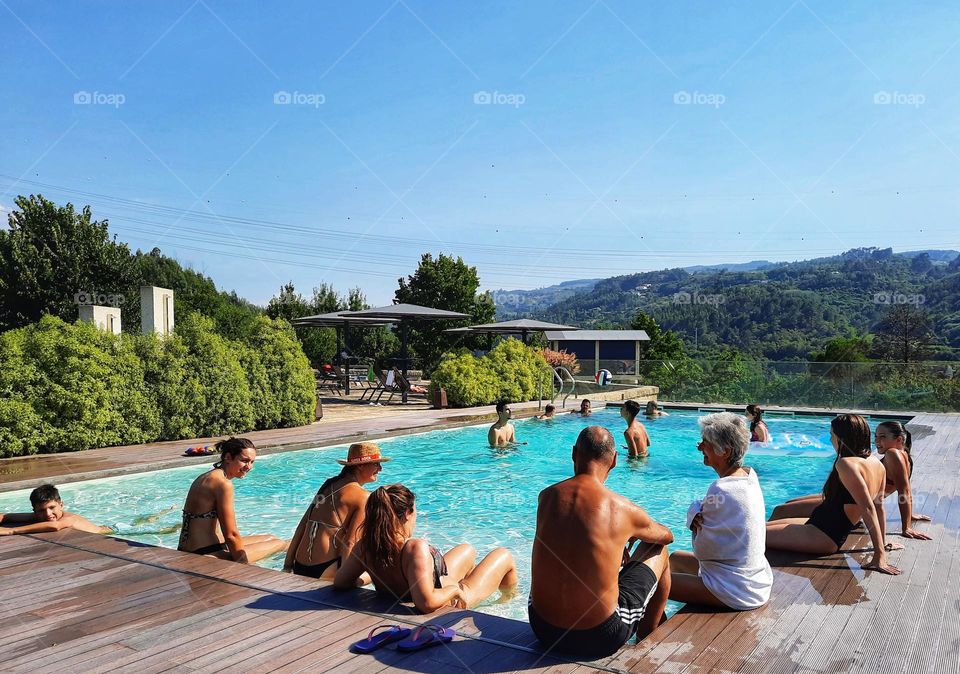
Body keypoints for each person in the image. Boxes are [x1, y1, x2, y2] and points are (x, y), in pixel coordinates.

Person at [529, 427, 673, 658]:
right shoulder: (621, 508)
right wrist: (633, 532)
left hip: (543, 629)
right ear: (615, 460)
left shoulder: (546, 496)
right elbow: (667, 535)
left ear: (574, 453)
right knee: (659, 549)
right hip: (598, 637)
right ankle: (647, 642)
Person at [334, 484, 518, 613]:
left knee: (467, 549)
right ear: (407, 514)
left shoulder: (367, 545)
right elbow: (426, 603)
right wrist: (455, 591)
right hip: (451, 598)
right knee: (504, 555)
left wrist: (371, 575)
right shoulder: (414, 547)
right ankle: (507, 605)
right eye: (414, 511)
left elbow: (341, 581)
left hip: (430, 583)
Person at [767, 415, 900, 574]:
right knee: (760, 525)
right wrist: (882, 543)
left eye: (832, 435)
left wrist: (880, 555)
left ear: (841, 438)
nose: (830, 440)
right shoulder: (877, 463)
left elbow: (869, 509)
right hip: (818, 525)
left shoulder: (846, 463)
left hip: (823, 535)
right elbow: (879, 507)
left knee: (748, 535)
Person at [669, 413, 772, 610]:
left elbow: (702, 551)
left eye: (705, 443)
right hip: (756, 579)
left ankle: (647, 637)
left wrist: (694, 516)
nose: (699, 447)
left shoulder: (721, 488)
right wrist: (697, 512)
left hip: (736, 590)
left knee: (654, 584)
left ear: (725, 451)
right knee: (674, 559)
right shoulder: (749, 476)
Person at [284, 443, 385, 580]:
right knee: (378, 561)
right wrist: (345, 580)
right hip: (326, 569)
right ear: (360, 466)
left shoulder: (328, 484)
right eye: (376, 464)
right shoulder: (363, 497)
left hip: (299, 566)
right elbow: (351, 542)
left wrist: (288, 565)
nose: (380, 468)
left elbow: (303, 524)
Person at [177, 437, 288, 563]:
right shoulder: (223, 484)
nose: (249, 467)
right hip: (205, 554)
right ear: (228, 457)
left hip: (192, 548)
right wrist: (242, 566)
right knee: (280, 544)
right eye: (244, 461)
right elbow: (231, 535)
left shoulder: (206, 476)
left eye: (252, 462)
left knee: (270, 538)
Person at [875, 421, 932, 540]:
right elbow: (906, 490)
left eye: (882, 437)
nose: (876, 441)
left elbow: (905, 491)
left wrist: (906, 527)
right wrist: (909, 517)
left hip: (851, 504)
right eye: (876, 437)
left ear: (899, 440)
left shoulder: (892, 454)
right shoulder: (905, 455)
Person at [0, 484, 111, 536]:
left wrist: (11, 531)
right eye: (41, 510)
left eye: (52, 508)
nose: (48, 514)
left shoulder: (69, 519)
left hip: (110, 532)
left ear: (61, 505)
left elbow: (55, 526)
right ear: (35, 511)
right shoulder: (40, 516)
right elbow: (7, 516)